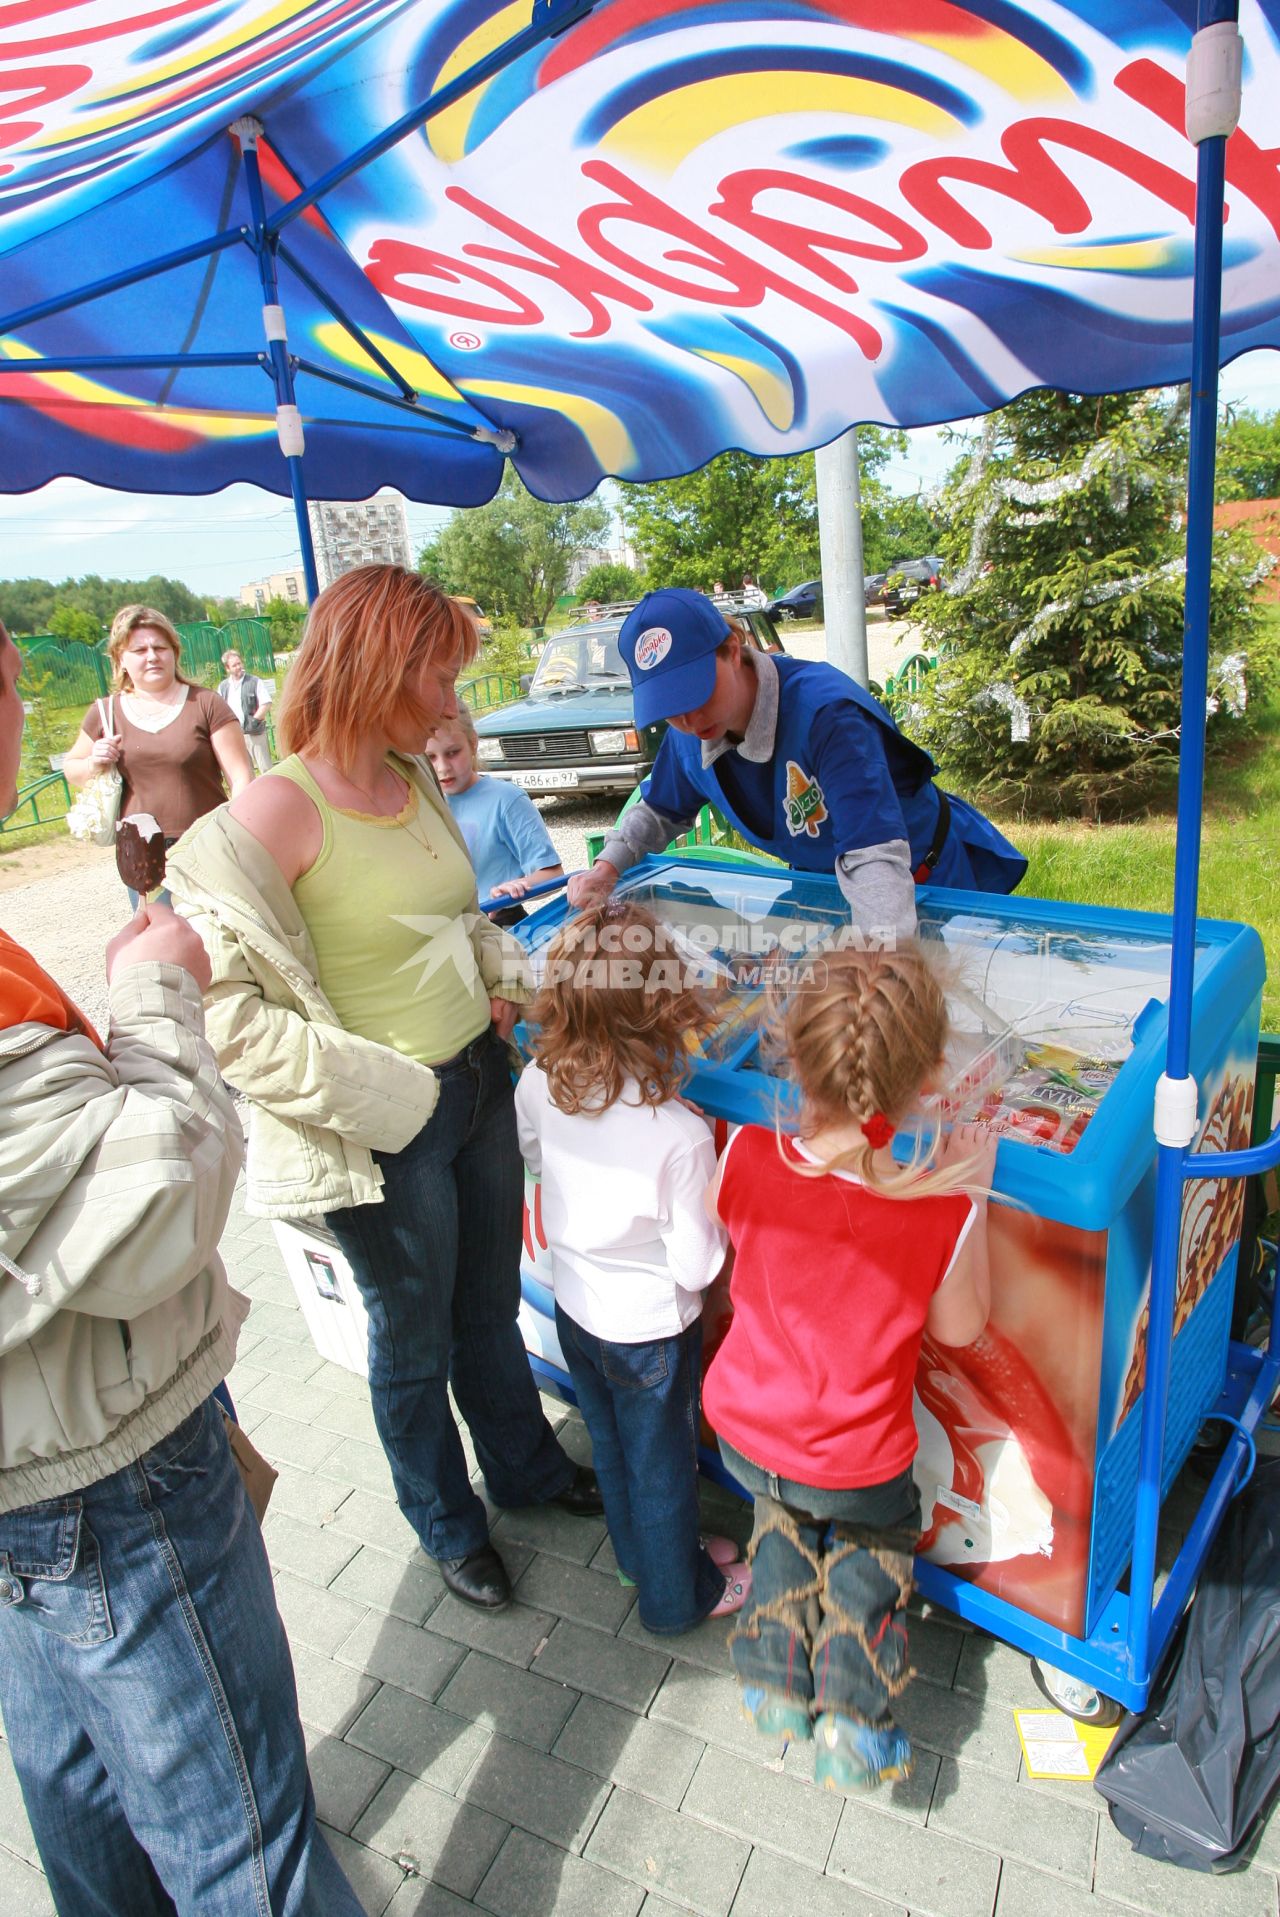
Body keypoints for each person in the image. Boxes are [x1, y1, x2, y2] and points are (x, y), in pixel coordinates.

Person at [0, 621, 361, 1915]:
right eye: (6, 673)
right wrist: (156, 1002)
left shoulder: (210, 713)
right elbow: (147, 1211)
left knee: (81, 1794)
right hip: (114, 1482)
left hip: (34, 1471)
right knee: (244, 1842)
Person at [167, 568, 601, 1615]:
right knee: (410, 1345)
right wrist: (388, 1093)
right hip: (381, 1134)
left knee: (487, 1309)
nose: (455, 699)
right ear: (379, 668)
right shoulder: (273, 811)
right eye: (442, 674)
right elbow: (222, 1017)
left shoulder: (417, 781)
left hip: (479, 1087)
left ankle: (528, 1472)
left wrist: (512, 985)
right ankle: (447, 1524)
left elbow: (460, 921)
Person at [702, 942, 995, 1791]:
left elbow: (741, 1251)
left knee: (780, 1528)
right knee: (869, 1567)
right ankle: (854, 1726)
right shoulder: (939, 1204)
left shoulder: (747, 1154)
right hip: (859, 1462)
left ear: (792, 1049)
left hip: (747, 1432)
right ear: (933, 1069)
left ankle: (772, 1683)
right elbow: (964, 1324)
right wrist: (972, 1186)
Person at [514, 899, 750, 1633]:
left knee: (611, 1447)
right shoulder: (678, 1135)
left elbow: (533, 1160)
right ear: (663, 1012)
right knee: (663, 1469)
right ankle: (679, 1596)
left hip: (579, 1309)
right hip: (651, 1330)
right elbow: (695, 1260)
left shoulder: (538, 1084)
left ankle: (642, 1556)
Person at [567, 588, 1026, 938]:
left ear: (733, 647)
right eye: (669, 705)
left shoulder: (826, 715)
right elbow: (659, 809)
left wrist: (885, 962)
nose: (686, 718)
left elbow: (874, 860)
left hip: (916, 882)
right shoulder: (691, 734)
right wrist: (606, 869)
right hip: (820, 890)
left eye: (694, 692)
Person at [64, 605, 252, 901]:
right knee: (161, 943)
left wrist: (234, 836)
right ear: (120, 659)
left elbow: (241, 777)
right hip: (141, 855)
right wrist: (93, 761)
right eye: (139, 650)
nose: (152, 656)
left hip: (206, 847)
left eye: (160, 647)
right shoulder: (106, 712)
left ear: (174, 652)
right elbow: (71, 768)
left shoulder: (206, 704)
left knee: (215, 943)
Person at [427, 704, 563, 928]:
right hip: (444, 930)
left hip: (498, 926)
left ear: (472, 744)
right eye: (430, 757)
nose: (442, 768)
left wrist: (517, 887)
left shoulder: (507, 799)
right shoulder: (421, 803)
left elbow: (552, 875)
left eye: (453, 753)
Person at [217, 647, 273, 774]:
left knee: (266, 769)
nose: (238, 667)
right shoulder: (223, 687)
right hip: (236, 735)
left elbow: (266, 702)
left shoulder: (254, 681)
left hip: (255, 733)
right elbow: (219, 708)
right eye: (234, 665)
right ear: (227, 668)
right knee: (245, 771)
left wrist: (255, 720)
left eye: (239, 663)